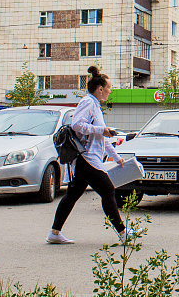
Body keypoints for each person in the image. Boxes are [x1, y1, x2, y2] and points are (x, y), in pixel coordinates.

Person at [47, 66, 131, 245]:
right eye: (109, 87)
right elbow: (77, 125)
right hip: (86, 158)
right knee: (108, 190)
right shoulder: (88, 102)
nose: (110, 91)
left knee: (72, 195)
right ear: (100, 89)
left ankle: (55, 232)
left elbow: (103, 136)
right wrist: (102, 129)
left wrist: (116, 157)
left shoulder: (96, 106)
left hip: (87, 159)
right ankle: (123, 233)